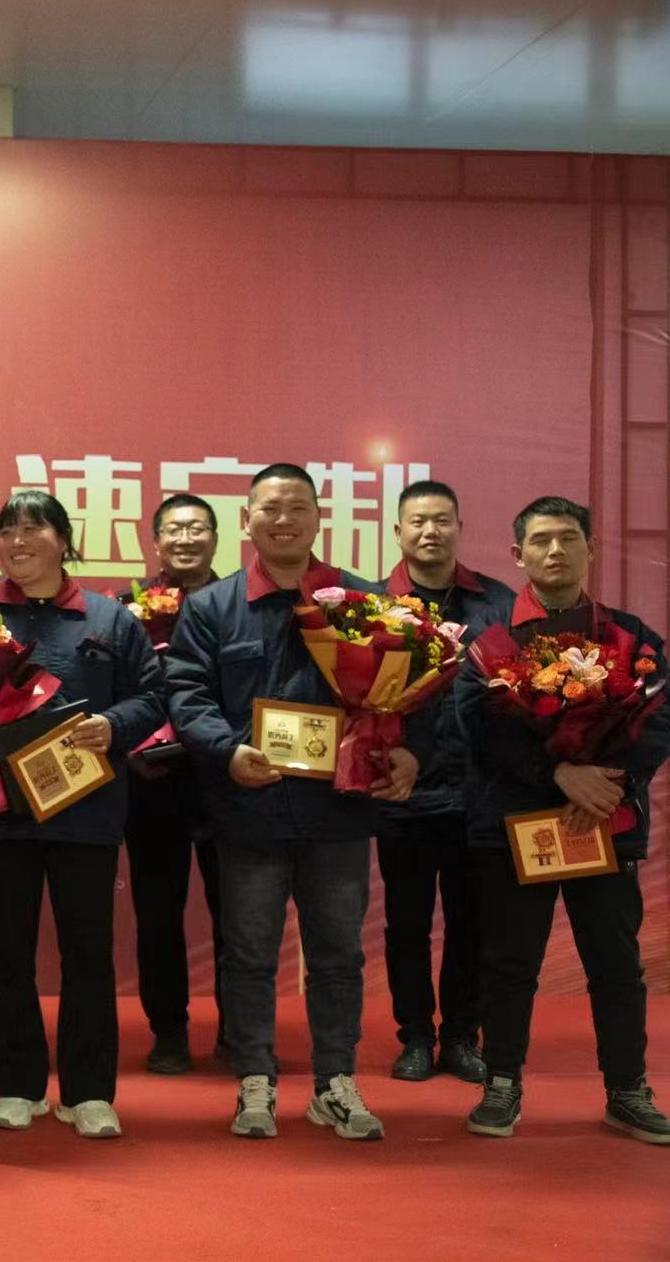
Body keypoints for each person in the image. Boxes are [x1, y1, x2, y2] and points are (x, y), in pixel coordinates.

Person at [167, 463, 418, 1143]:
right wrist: (226, 751)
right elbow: (186, 696)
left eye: (298, 508)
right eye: (270, 509)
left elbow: (405, 693)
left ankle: (335, 1082)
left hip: (338, 812)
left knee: (338, 956)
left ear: (317, 518)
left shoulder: (363, 602)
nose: (284, 520)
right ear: (246, 520)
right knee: (249, 955)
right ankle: (256, 1078)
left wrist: (406, 751)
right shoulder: (212, 608)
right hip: (249, 810)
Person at [457, 496, 670, 1145]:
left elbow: (662, 718)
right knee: (509, 963)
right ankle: (502, 1083)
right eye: (541, 540)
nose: (555, 550)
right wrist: (556, 773)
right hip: (515, 828)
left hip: (603, 824)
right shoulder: (488, 644)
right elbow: (480, 727)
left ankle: (627, 1090)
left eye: (568, 538)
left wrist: (605, 785)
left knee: (615, 965)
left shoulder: (631, 637)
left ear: (590, 548)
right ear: (517, 554)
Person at [0, 491, 167, 1138]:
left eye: (34, 529)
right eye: (7, 530)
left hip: (84, 810)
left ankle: (89, 1091)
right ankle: (16, 1085)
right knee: (7, 951)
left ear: (64, 540)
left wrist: (114, 724)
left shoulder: (109, 617)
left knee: (88, 952)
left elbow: (154, 695)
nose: (17, 541)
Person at [377, 480, 513, 1085]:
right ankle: (414, 1036)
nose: (430, 531)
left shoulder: (498, 603)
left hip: (480, 794)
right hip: (403, 795)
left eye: (442, 520)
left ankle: (461, 1036)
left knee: (473, 922)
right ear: (398, 531)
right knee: (406, 923)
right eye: (418, 521)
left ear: (460, 527)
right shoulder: (371, 607)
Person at [118, 493, 229, 1075]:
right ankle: (168, 1030)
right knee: (158, 913)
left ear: (216, 538)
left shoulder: (240, 603)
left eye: (197, 529)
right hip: (153, 780)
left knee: (237, 913)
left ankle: (239, 1029)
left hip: (228, 779)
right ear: (156, 541)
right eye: (174, 531)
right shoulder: (125, 608)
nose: (186, 540)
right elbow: (116, 690)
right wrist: (132, 746)